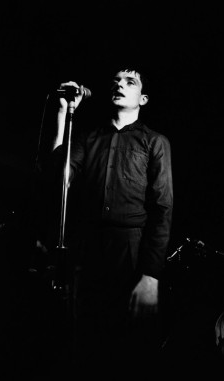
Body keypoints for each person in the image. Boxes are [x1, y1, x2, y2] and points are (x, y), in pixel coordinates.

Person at [36, 65, 173, 379]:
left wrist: (151, 276)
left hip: (131, 248)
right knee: (84, 338)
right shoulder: (89, 137)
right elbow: (58, 174)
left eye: (130, 81)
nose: (120, 85)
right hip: (88, 248)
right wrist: (63, 113)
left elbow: (163, 208)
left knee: (127, 346)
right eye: (116, 81)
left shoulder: (155, 142)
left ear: (144, 98)